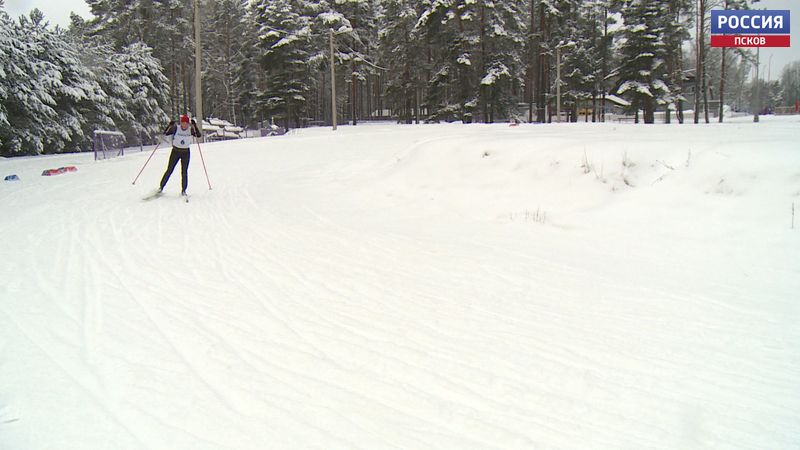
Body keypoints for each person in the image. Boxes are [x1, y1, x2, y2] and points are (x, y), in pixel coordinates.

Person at [159, 114, 201, 196]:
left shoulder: (190, 129)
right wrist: (169, 125)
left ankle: (183, 190)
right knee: (169, 170)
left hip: (185, 152)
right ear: (181, 123)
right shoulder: (176, 128)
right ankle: (161, 187)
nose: (184, 125)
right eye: (183, 123)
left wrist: (194, 125)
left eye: (186, 123)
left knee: (184, 172)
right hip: (175, 151)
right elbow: (165, 133)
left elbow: (198, 135)